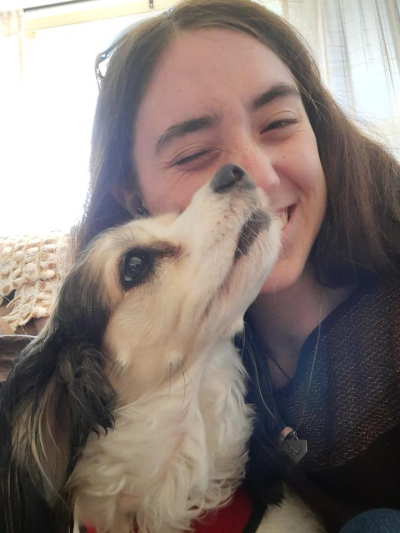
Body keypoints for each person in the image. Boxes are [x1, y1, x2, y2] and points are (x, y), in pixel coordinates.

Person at [70, 0, 400, 531]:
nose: (258, 176)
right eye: (192, 153)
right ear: (133, 200)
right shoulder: (135, 368)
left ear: (317, 127)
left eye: (280, 123)